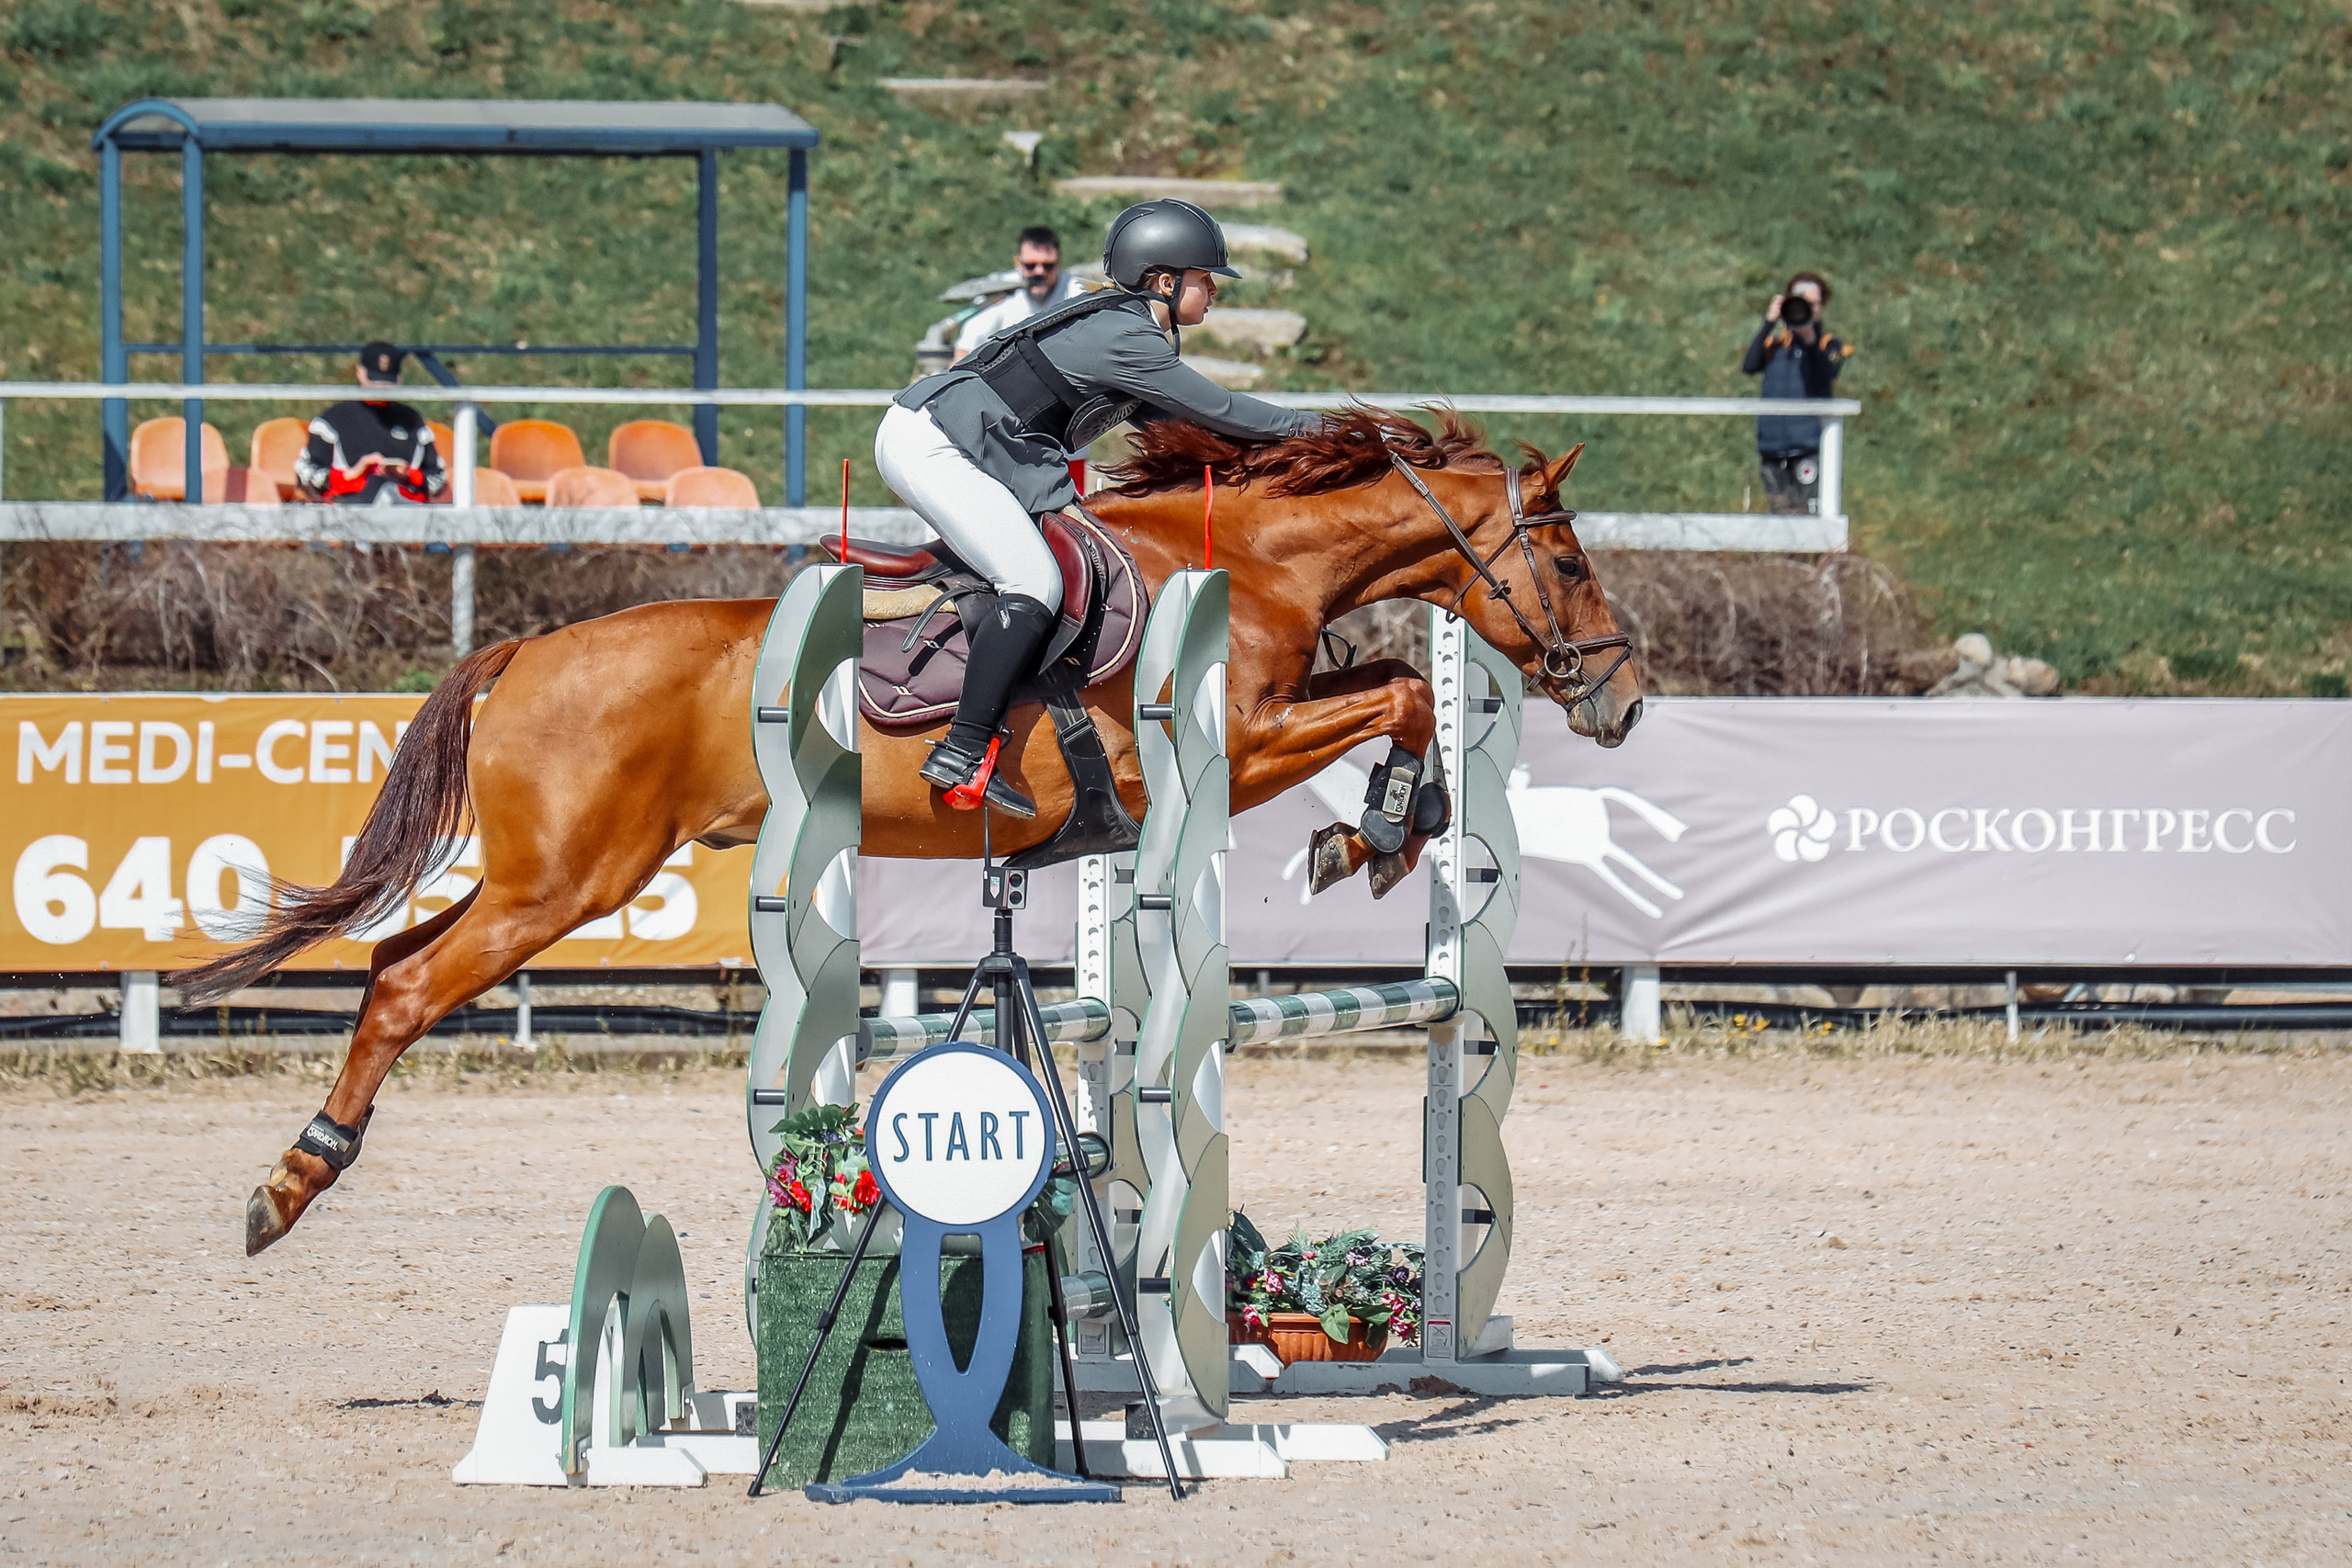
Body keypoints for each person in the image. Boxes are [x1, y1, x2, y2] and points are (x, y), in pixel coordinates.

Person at [881, 198, 1320, 817]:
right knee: (1033, 582)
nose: (1213, 293)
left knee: (1056, 562)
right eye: (1205, 280)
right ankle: (963, 747)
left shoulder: (1125, 329)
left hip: (959, 439)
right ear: (1163, 281)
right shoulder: (1125, 336)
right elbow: (1221, 410)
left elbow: (1181, 430)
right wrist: (1328, 428)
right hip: (935, 441)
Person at [1739, 272, 1851, 515]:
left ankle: (1810, 556)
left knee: (1807, 515)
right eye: (1799, 302)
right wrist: (1769, 322)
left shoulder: (1827, 344)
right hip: (1772, 446)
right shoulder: (1776, 345)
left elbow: (1826, 375)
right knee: (1779, 515)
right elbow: (1749, 366)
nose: (1805, 309)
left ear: (1821, 307)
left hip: (1807, 447)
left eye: (1812, 304)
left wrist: (1810, 339)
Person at [293, 342, 447, 505]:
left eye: (387, 383)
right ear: (359, 373)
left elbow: (438, 479)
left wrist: (408, 475)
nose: (381, 389)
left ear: (399, 380)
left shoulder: (413, 420)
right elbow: (306, 476)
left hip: (406, 511)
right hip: (350, 511)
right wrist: (354, 474)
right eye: (375, 382)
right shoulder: (334, 418)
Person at [951, 225, 1089, 363]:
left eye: (1048, 266)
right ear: (1017, 263)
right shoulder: (1001, 292)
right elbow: (965, 347)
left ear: (1060, 263)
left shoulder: (1076, 291)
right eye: (1030, 265)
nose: (1039, 272)